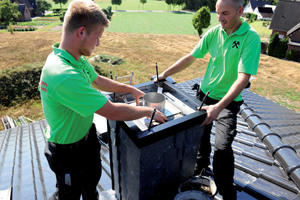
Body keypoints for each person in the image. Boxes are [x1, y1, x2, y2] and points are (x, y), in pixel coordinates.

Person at [39, 0, 167, 199]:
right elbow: (112, 111)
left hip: (85, 137)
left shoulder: (74, 59)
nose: (98, 43)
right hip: (66, 152)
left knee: (91, 184)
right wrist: (148, 111)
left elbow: (97, 80)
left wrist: (130, 89)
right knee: (69, 195)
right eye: (97, 37)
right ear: (81, 32)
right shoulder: (63, 74)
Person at [156, 0, 260, 199]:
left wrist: (218, 108)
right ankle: (200, 169)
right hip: (203, 96)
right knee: (200, 140)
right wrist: (164, 74)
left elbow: (243, 78)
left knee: (222, 147)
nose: (220, 18)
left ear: (240, 11)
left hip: (227, 103)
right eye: (218, 13)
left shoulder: (250, 38)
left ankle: (227, 192)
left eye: (225, 13)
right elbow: (191, 57)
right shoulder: (214, 32)